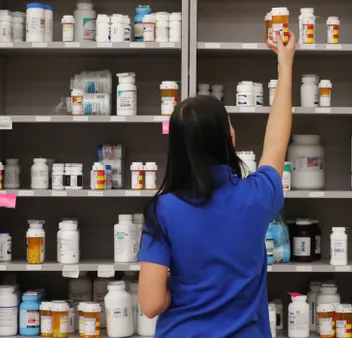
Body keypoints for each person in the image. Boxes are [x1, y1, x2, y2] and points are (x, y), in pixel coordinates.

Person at [137, 30, 296, 338]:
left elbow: (151, 303)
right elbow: (277, 141)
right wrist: (285, 65)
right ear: (229, 139)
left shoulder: (163, 210)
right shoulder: (257, 196)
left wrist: (175, 295)